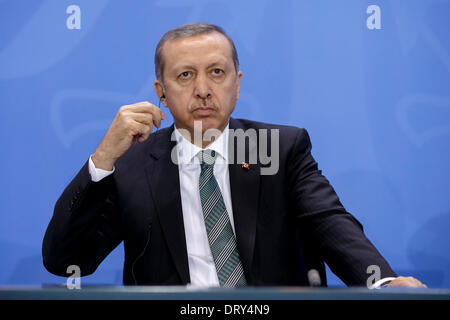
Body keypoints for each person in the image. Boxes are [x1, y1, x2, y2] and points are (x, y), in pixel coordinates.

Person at [43, 22, 425, 288]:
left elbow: (330, 225)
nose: (204, 90)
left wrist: (383, 282)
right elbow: (65, 259)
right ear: (161, 92)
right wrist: (103, 159)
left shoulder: (280, 149)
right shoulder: (131, 167)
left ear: (237, 84)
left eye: (217, 72)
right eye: (186, 76)